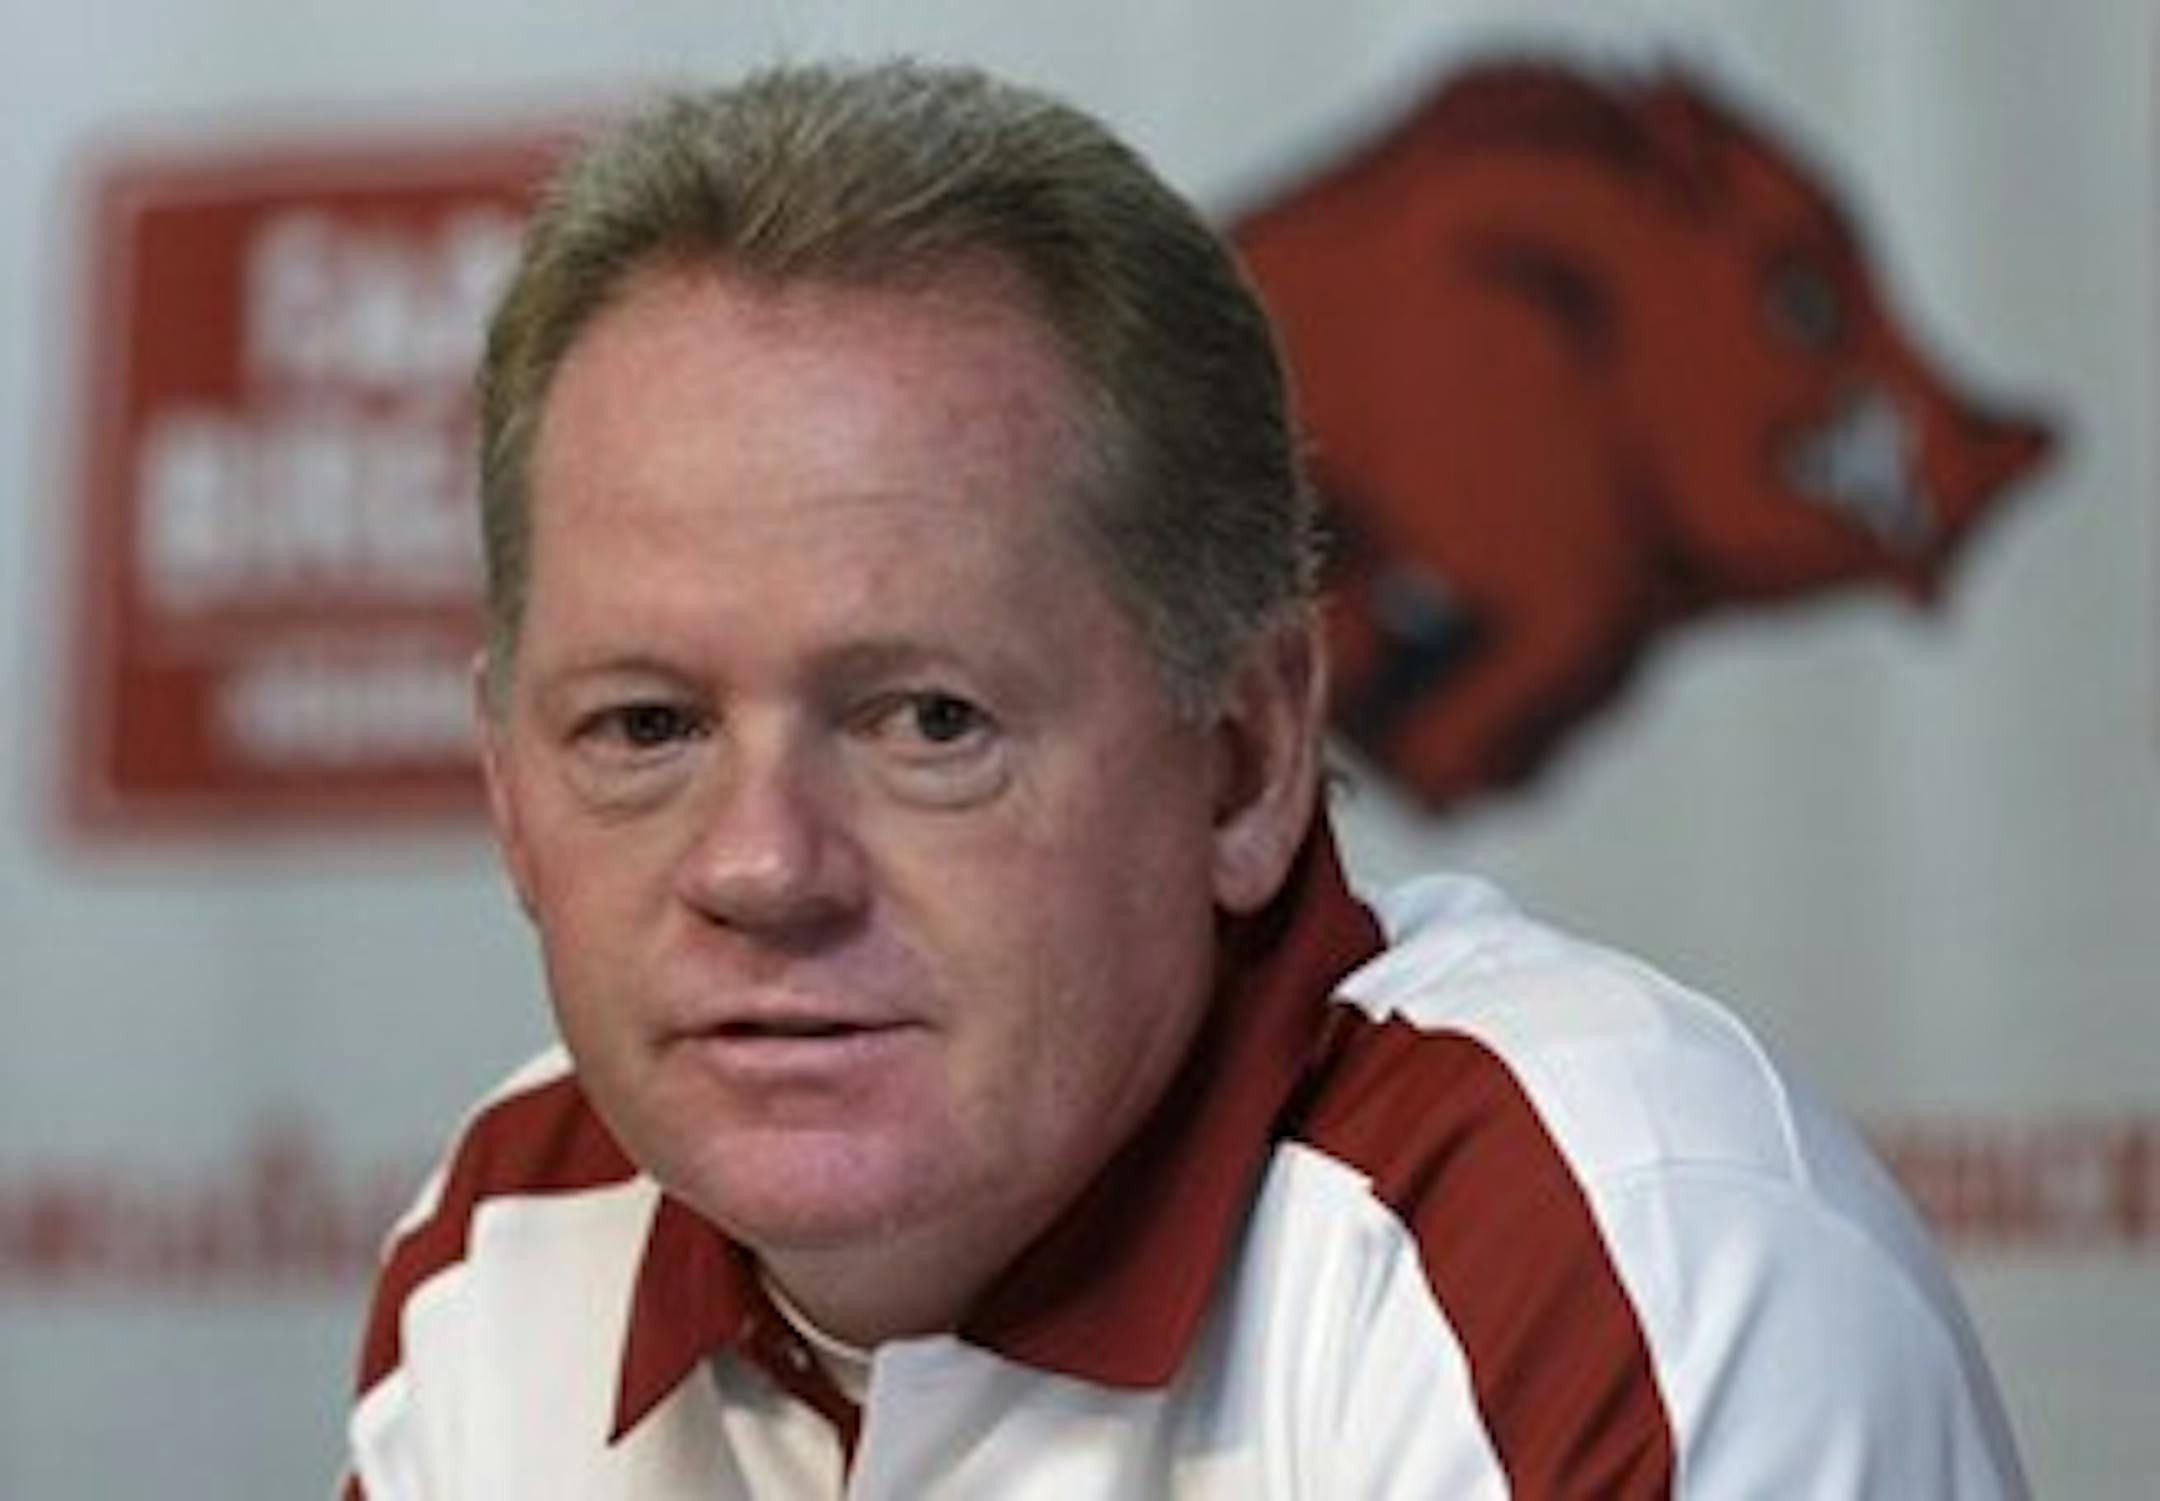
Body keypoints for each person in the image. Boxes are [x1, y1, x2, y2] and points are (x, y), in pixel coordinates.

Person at [344, 59, 2026, 1499]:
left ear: (1244, 763)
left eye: (928, 720)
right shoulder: (510, 1235)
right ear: (506, 788)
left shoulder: (1602, 1252)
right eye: (646, 728)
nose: (764, 866)